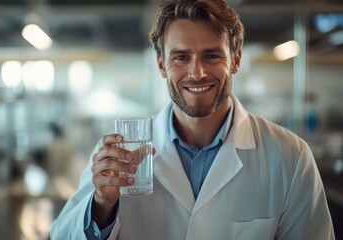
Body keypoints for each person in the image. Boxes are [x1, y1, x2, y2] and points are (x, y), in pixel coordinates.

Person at [50, 0, 335, 239]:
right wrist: (102, 204)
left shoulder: (290, 157)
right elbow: (62, 234)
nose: (197, 73)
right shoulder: (116, 155)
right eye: (181, 57)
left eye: (211, 56)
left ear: (235, 60)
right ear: (162, 64)